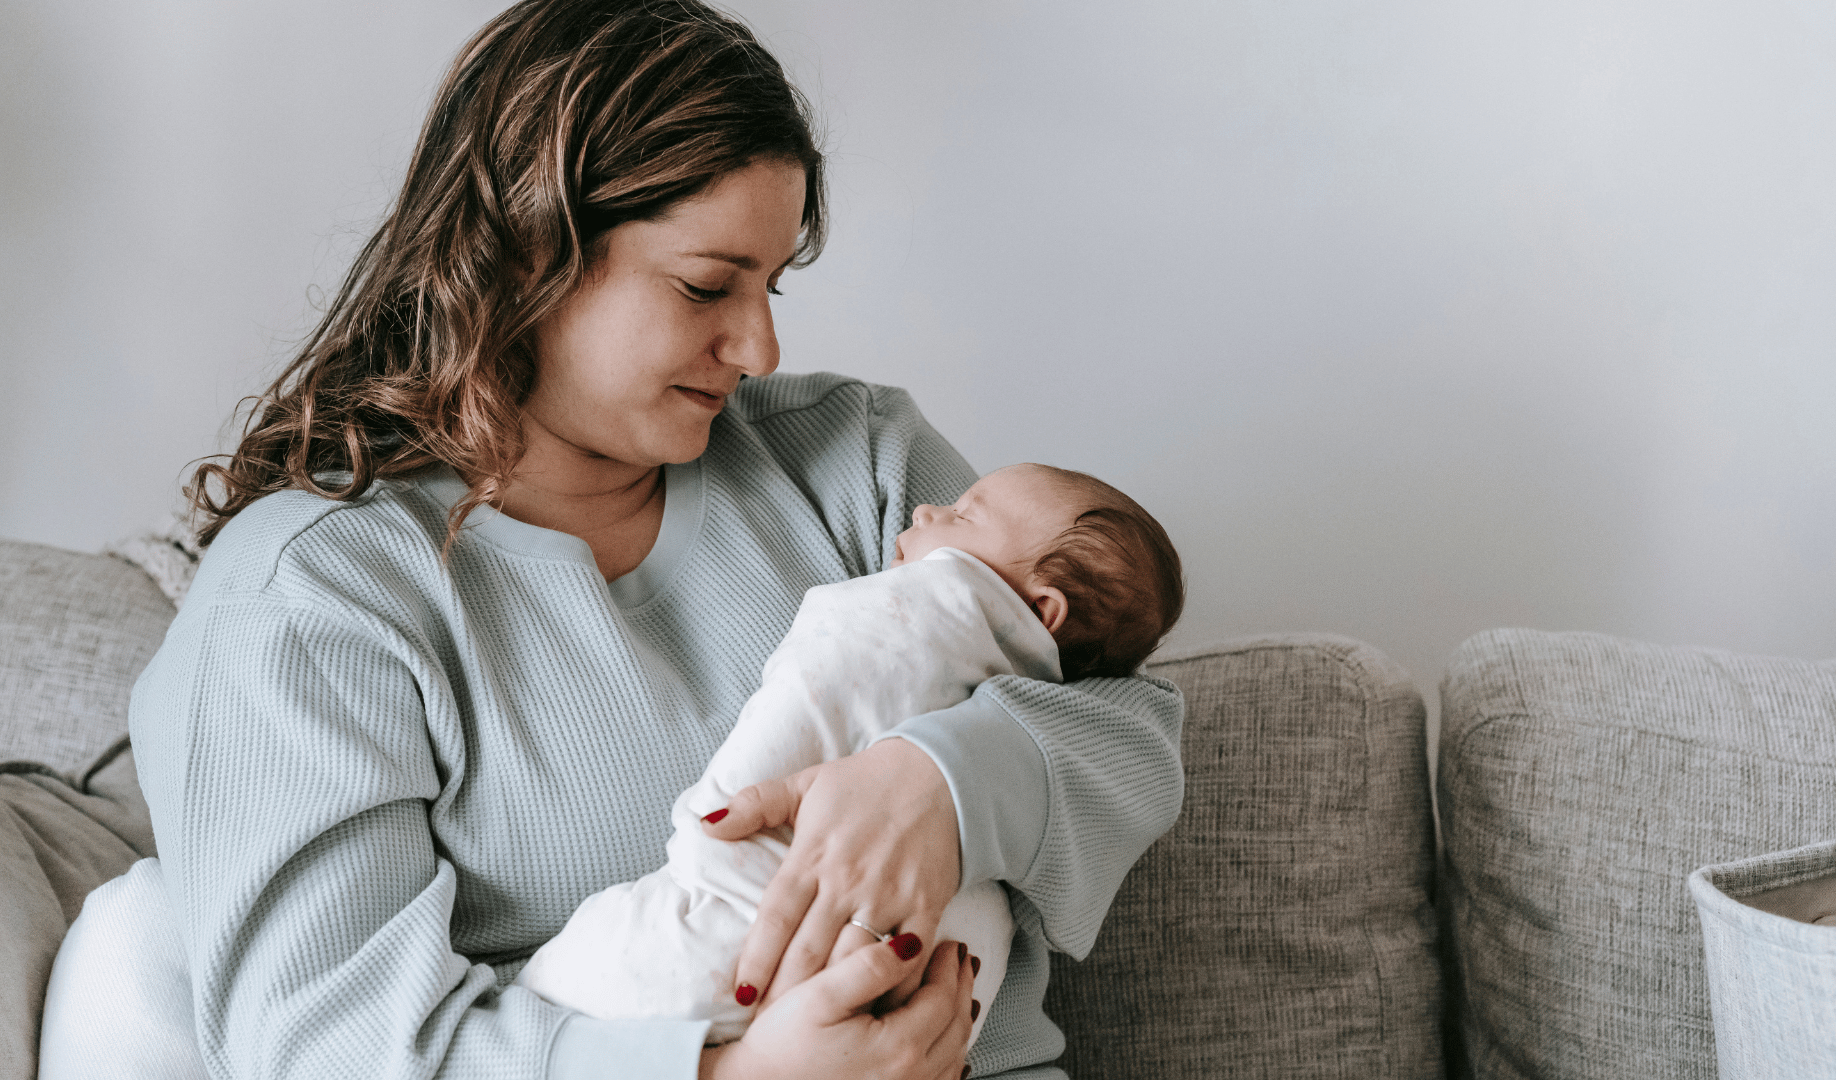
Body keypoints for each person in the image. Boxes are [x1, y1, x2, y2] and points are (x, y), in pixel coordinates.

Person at [113, 3, 1185, 1078]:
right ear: (528, 253)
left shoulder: (857, 466)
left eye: (772, 286)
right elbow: (324, 1041)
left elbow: (1131, 727)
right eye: (706, 287)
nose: (759, 345)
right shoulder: (317, 594)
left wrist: (943, 786)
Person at [516, 464, 1185, 1047]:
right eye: (704, 303)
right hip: (854, 1022)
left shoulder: (915, 566)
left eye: (960, 514)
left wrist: (939, 778)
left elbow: (1146, 733)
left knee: (575, 969)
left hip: (884, 1017)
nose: (928, 510)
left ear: (1043, 611)